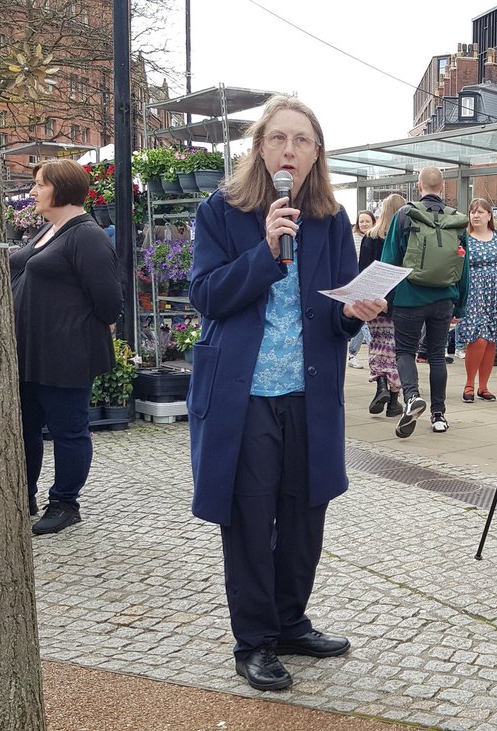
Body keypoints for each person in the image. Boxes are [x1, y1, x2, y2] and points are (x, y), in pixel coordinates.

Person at [187, 95, 386, 692]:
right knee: (250, 517)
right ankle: (254, 641)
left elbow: (336, 312)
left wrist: (357, 312)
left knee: (305, 513)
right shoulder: (221, 211)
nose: (290, 150)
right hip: (243, 397)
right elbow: (207, 295)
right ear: (260, 148)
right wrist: (266, 253)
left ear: (317, 153)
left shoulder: (329, 219)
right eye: (279, 138)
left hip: (310, 392)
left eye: (302, 140)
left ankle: (291, 620)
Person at [9, 159, 123, 534]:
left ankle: (64, 502)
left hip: (66, 353)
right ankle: (22, 494)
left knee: (67, 430)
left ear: (59, 188)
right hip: (31, 351)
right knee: (25, 427)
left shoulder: (86, 235)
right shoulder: (48, 229)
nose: (33, 191)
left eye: (39, 184)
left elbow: (109, 300)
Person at [380, 167, 470, 439]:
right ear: (442, 188)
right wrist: (460, 305)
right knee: (436, 355)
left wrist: (386, 298)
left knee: (405, 352)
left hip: (409, 296)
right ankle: (439, 415)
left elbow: (390, 257)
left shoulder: (405, 214)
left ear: (419, 187)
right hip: (444, 297)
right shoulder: (456, 219)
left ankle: (411, 397)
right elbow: (464, 266)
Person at [457, 197, 497, 406]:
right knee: (478, 337)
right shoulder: (464, 238)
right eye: (473, 212)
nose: (476, 215)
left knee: (492, 338)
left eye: (480, 212)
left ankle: (484, 386)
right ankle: (469, 384)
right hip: (474, 292)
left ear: (489, 216)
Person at [359, 194, 406, 418]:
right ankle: (394, 401)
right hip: (400, 303)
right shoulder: (406, 238)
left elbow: (363, 272)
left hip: (375, 301)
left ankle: (381, 386)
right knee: (397, 350)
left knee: (378, 345)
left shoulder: (370, 237)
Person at [347, 210, 376, 368]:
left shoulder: (374, 237)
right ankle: (374, 350)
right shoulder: (354, 239)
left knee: (362, 319)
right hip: (357, 283)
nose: (364, 224)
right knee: (364, 319)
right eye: (361, 221)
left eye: (367, 221)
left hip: (370, 284)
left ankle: (352, 354)